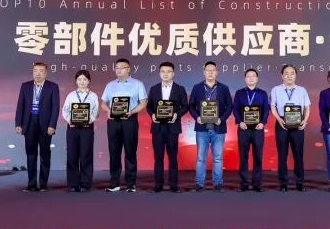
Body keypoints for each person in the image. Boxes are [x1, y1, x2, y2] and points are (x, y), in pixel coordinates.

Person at [100, 58, 148, 192]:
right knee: (114, 152)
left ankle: (131, 184)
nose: (119, 70)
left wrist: (131, 111)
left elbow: (143, 103)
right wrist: (108, 110)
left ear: (128, 69)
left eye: (122, 68)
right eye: (117, 68)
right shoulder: (110, 85)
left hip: (129, 120)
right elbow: (103, 103)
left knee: (130, 152)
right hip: (113, 122)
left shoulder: (138, 84)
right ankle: (114, 183)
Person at [14, 62, 60, 192]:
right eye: (35, 71)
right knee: (31, 155)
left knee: (45, 155)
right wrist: (18, 123)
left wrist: (52, 125)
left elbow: (55, 108)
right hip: (29, 124)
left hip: (46, 125)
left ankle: (43, 184)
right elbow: (20, 106)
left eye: (41, 71)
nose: (38, 73)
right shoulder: (25, 86)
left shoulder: (53, 87)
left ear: (46, 73)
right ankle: (32, 184)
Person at [188, 61, 233, 191]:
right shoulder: (197, 87)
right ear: (204, 72)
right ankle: (199, 184)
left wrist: (221, 119)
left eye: (213, 70)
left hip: (218, 128)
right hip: (201, 129)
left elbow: (230, 106)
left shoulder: (224, 88)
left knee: (218, 158)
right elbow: (191, 106)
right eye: (208, 70)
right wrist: (197, 117)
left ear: (217, 72)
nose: (211, 72)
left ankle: (218, 183)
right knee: (200, 158)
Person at [146, 61, 189, 192]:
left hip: (172, 127)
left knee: (173, 157)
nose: (165, 74)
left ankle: (173, 185)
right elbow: (149, 106)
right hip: (158, 128)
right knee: (158, 157)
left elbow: (185, 106)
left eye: (168, 71)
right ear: (159, 73)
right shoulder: (154, 88)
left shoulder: (180, 89)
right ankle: (158, 185)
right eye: (163, 71)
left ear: (173, 73)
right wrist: (152, 115)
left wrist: (176, 115)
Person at [270, 64, 311, 191]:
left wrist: (305, 120)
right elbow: (273, 106)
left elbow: (307, 107)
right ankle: (283, 183)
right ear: (282, 76)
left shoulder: (302, 90)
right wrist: (279, 119)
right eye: (286, 73)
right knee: (282, 154)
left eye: (292, 73)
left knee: (298, 154)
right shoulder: (276, 89)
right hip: (282, 122)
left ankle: (299, 183)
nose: (289, 76)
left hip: (298, 123)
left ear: (295, 75)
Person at [62, 69, 99, 192]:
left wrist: (89, 120)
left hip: (87, 128)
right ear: (76, 81)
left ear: (89, 81)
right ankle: (73, 184)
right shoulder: (71, 95)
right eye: (79, 79)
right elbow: (65, 110)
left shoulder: (93, 96)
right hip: (72, 128)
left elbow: (96, 111)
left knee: (86, 155)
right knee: (72, 155)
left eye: (84, 79)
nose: (82, 81)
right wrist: (70, 120)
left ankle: (85, 184)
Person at [233, 68, 270, 192]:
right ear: (245, 79)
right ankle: (244, 184)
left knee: (258, 156)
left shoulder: (263, 93)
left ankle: (257, 184)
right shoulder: (239, 93)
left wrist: (262, 122)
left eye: (253, 76)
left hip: (258, 129)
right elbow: (235, 109)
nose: (251, 78)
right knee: (243, 157)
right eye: (248, 76)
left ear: (257, 78)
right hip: (243, 129)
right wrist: (240, 121)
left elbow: (266, 110)